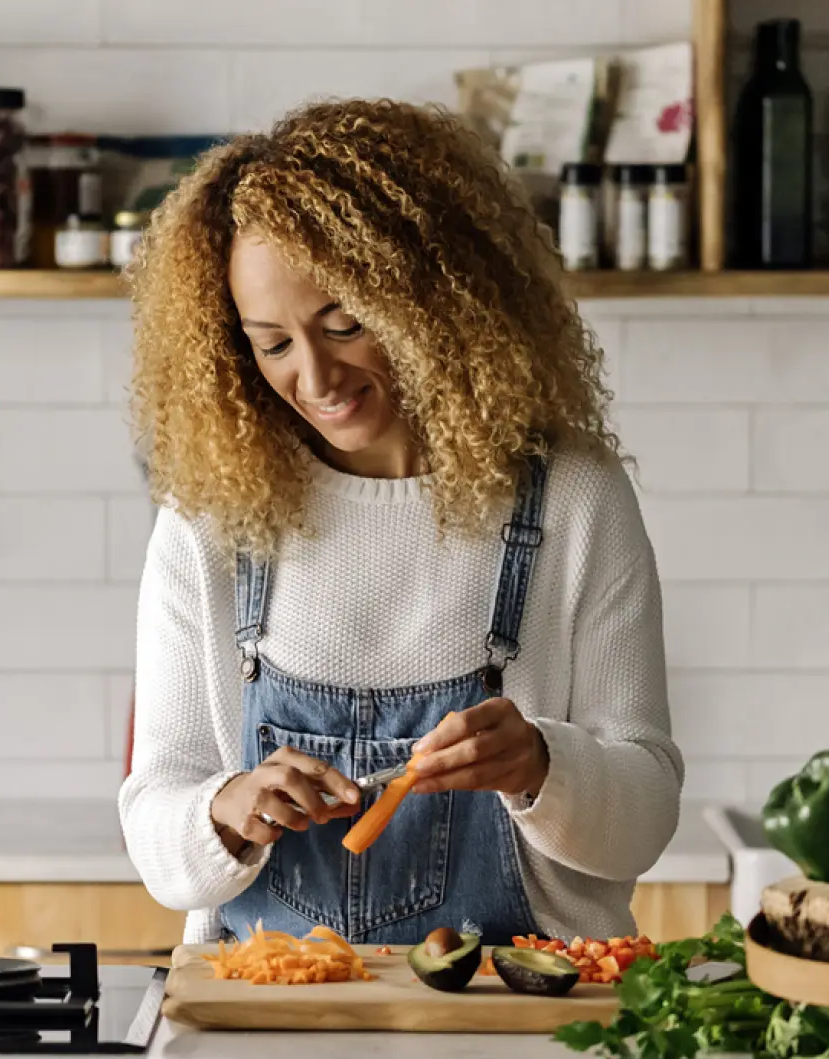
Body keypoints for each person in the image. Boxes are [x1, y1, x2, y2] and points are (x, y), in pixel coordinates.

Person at [118, 98, 682, 946]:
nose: (314, 377)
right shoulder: (211, 521)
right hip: (266, 1025)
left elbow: (646, 811)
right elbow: (156, 825)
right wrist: (226, 811)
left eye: (344, 323)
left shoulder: (570, 498)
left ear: (434, 300)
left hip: (515, 1022)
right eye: (272, 344)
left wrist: (542, 767)